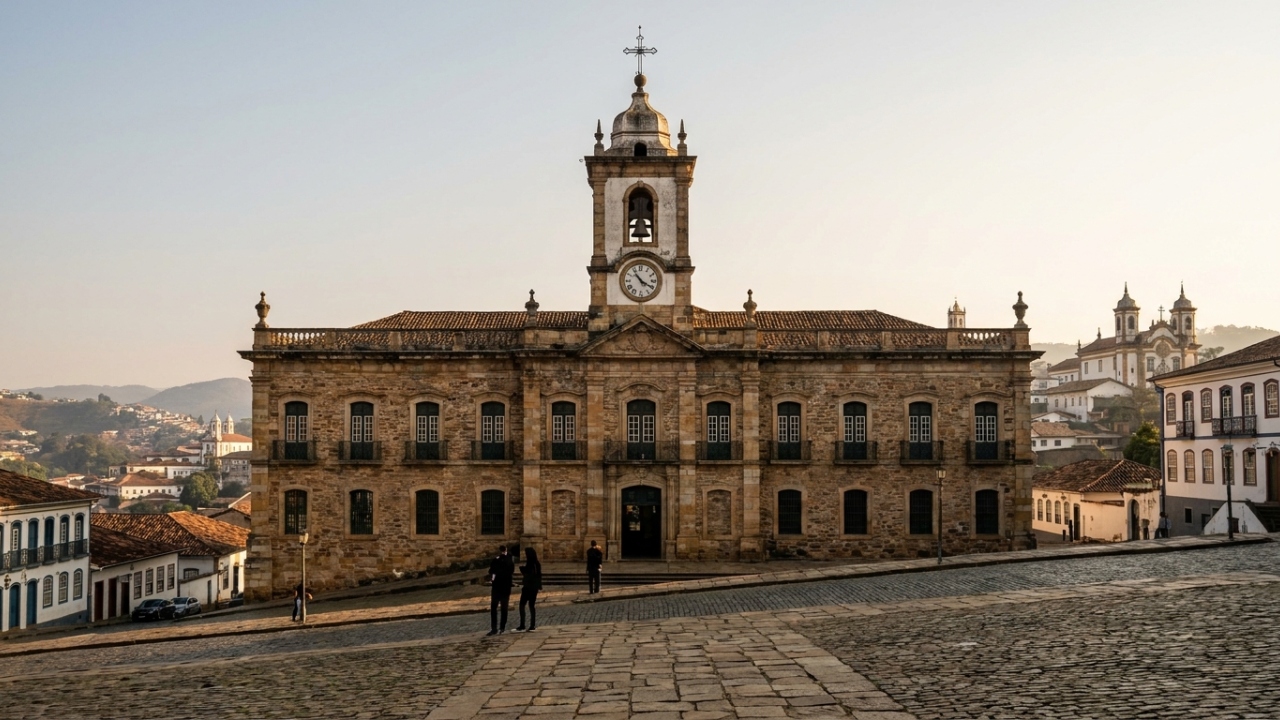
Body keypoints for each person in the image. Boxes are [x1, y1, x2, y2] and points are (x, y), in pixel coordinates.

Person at [487, 545, 515, 636]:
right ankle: (500, 627)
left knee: (496, 607)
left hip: (499, 586)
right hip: (504, 586)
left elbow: (491, 571)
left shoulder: (498, 560)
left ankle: (496, 628)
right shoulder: (508, 560)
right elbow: (511, 571)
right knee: (502, 607)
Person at [515, 546, 542, 631]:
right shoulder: (537, 563)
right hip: (534, 587)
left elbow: (529, 575)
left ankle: (523, 624)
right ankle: (532, 625)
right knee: (531, 606)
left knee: (522, 605)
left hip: (528, 587)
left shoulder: (530, 564)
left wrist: (522, 570)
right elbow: (539, 575)